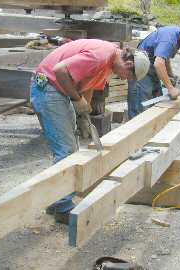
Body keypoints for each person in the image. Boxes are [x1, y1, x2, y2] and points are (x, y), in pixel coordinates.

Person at [30, 39, 150, 223]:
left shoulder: (109, 64)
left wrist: (84, 114)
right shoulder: (101, 55)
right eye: (128, 76)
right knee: (67, 151)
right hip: (48, 87)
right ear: (129, 63)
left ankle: (56, 199)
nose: (124, 79)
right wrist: (77, 100)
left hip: (57, 90)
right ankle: (62, 207)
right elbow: (60, 70)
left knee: (70, 149)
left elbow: (91, 87)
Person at [127, 26, 180, 119]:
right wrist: (170, 88)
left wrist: (171, 76)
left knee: (156, 101)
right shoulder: (169, 39)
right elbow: (159, 64)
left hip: (150, 66)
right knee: (140, 105)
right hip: (141, 68)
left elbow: (165, 58)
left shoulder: (177, 37)